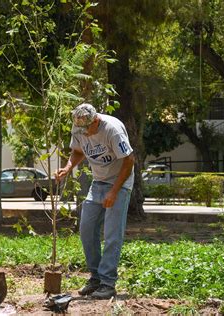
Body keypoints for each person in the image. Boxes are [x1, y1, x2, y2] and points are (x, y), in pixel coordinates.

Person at [55, 103, 135, 300]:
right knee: (87, 229)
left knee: (111, 234)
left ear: (96, 120)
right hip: (98, 182)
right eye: (80, 130)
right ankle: (96, 277)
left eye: (87, 129)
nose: (84, 134)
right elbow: (78, 151)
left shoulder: (113, 130)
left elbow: (129, 160)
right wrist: (67, 168)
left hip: (119, 182)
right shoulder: (79, 126)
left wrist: (114, 191)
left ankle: (108, 283)